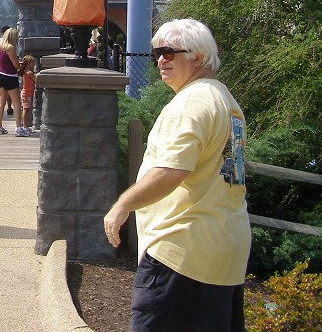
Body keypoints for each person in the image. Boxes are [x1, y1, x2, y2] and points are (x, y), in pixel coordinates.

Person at [103, 19, 250, 331]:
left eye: (169, 53)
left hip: (182, 253)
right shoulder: (226, 101)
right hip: (224, 253)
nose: (159, 60)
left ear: (197, 57)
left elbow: (171, 171)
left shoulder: (191, 103)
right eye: (157, 52)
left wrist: (122, 205)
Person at [0, 28, 24, 135]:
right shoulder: (10, 47)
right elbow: (16, 65)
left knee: (1, 102)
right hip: (9, 76)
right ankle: (19, 128)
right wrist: (20, 65)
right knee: (16, 102)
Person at [19, 55, 36, 136]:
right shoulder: (29, 73)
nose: (34, 64)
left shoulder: (25, 72)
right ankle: (25, 126)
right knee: (26, 110)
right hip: (27, 93)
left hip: (26, 93)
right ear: (29, 63)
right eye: (33, 62)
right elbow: (36, 80)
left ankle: (25, 126)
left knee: (26, 109)